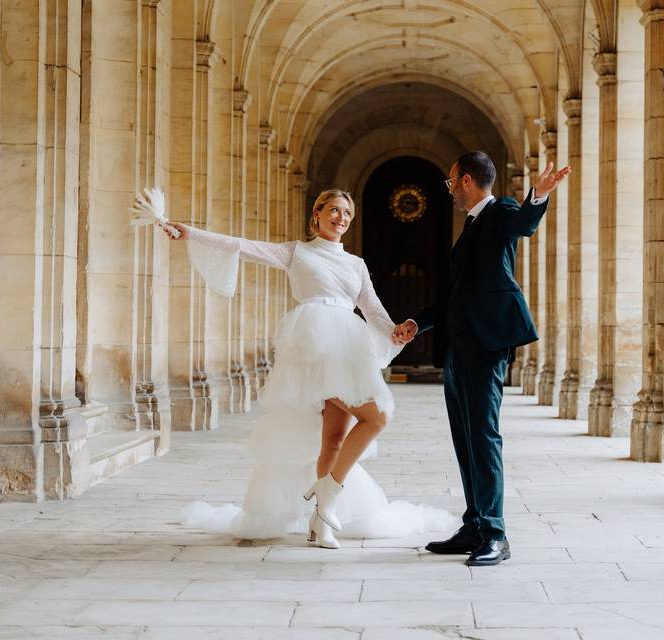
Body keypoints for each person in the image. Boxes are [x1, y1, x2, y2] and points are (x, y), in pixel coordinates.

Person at [136, 188, 456, 549]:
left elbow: (374, 311)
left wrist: (400, 330)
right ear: (316, 214)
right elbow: (242, 245)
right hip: (313, 349)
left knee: (334, 438)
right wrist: (190, 233)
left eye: (347, 213)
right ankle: (327, 497)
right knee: (376, 416)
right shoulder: (296, 252)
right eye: (334, 210)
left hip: (347, 348)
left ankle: (321, 520)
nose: (341, 218)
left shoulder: (356, 264)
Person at [393, 151, 571, 566]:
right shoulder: (471, 225)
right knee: (466, 436)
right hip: (459, 345)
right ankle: (474, 525)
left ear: (467, 180)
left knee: (484, 435)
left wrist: (537, 197)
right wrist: (417, 324)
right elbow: (455, 297)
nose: (450, 190)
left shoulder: (499, 211)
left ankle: (495, 531)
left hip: (486, 344)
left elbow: (522, 224)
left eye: (451, 182)